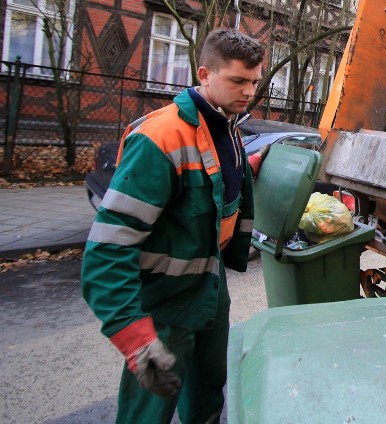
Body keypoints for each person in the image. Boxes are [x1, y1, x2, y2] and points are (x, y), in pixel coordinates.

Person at [81, 28, 265, 423]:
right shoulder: (160, 137)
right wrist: (136, 339)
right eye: (237, 80)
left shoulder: (227, 126)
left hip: (210, 292)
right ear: (204, 74)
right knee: (148, 413)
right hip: (165, 305)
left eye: (254, 81)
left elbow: (209, 184)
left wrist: (249, 166)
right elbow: (108, 249)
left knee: (207, 395)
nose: (249, 91)